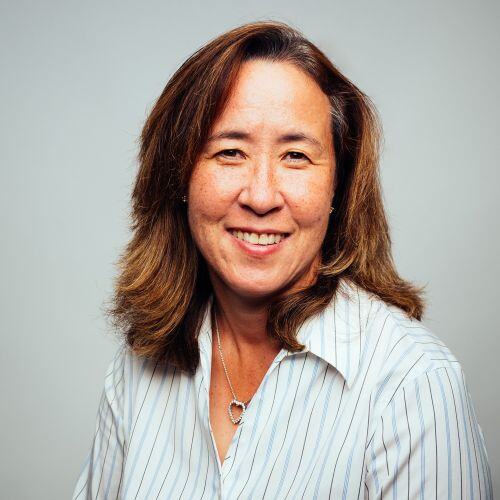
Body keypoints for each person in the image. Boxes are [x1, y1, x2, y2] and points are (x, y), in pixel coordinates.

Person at [72, 20, 492, 499]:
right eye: (230, 152)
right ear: (179, 177)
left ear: (338, 187)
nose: (261, 196)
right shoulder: (137, 369)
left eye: (295, 156)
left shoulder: (413, 383)